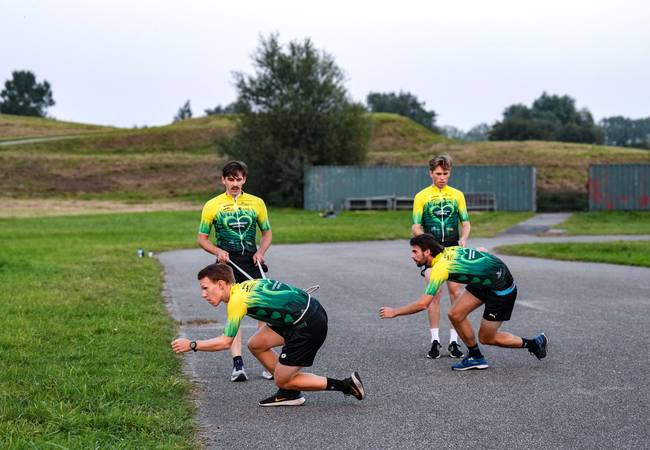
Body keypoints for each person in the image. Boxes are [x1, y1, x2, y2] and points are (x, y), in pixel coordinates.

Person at [171, 263, 365, 406]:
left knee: (282, 379)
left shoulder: (237, 301)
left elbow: (225, 342)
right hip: (305, 312)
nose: (203, 294)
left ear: (221, 284)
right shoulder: (244, 286)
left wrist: (192, 345)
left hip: (308, 324)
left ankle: (346, 386)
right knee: (256, 344)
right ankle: (288, 392)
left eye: (205, 288)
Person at [379, 234, 547, 370]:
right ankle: (475, 356)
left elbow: (424, 303)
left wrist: (395, 312)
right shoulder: (447, 251)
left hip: (501, 289)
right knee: (455, 314)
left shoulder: (440, 268)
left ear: (427, 252)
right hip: (485, 281)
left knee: (487, 338)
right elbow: (475, 254)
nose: (411, 256)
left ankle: (534, 343)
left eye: (415, 252)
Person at [197, 160, 273, 382]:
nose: (235, 183)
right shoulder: (212, 205)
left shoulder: (257, 203)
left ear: (244, 180)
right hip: (227, 264)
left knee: (262, 309)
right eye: (230, 179)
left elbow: (267, 233)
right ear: (223, 180)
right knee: (235, 311)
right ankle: (237, 364)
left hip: (251, 260)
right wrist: (218, 250)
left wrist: (261, 251)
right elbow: (202, 239)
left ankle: (266, 362)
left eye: (238, 179)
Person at [412, 154, 470, 359]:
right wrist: (425, 242)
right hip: (433, 252)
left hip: (453, 249)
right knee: (434, 293)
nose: (442, 177)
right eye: (438, 174)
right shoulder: (422, 196)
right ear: (430, 173)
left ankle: (455, 341)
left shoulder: (457, 195)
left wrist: (463, 238)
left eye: (445, 173)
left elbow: (465, 222)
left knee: (456, 291)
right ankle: (435, 341)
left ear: (450, 172)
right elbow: (416, 225)